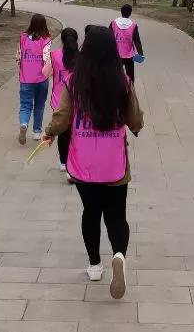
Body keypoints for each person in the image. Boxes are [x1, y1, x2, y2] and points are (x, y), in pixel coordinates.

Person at [43, 25, 144, 299]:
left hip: (84, 162)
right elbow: (135, 119)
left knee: (91, 212)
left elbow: (62, 117)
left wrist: (50, 133)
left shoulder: (74, 82)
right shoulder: (123, 82)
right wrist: (135, 126)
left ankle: (95, 265)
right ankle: (119, 256)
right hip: (114, 163)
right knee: (117, 215)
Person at [42, 27, 79, 174]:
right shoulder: (82, 57)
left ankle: (63, 162)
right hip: (78, 100)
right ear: (76, 40)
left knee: (63, 130)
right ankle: (75, 159)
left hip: (58, 100)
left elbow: (45, 73)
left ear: (62, 40)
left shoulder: (54, 55)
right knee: (76, 132)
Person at [16, 14, 52, 144]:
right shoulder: (46, 40)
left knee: (25, 105)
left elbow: (18, 56)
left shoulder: (23, 38)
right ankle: (37, 132)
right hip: (41, 79)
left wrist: (22, 68)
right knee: (39, 105)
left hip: (26, 78)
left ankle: (24, 123)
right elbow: (47, 59)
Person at [110, 4, 144, 83]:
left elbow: (109, 37)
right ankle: (130, 87)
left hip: (116, 55)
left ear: (121, 12)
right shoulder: (133, 25)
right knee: (130, 75)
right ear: (130, 13)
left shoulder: (113, 23)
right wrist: (140, 54)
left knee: (115, 74)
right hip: (129, 55)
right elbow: (137, 40)